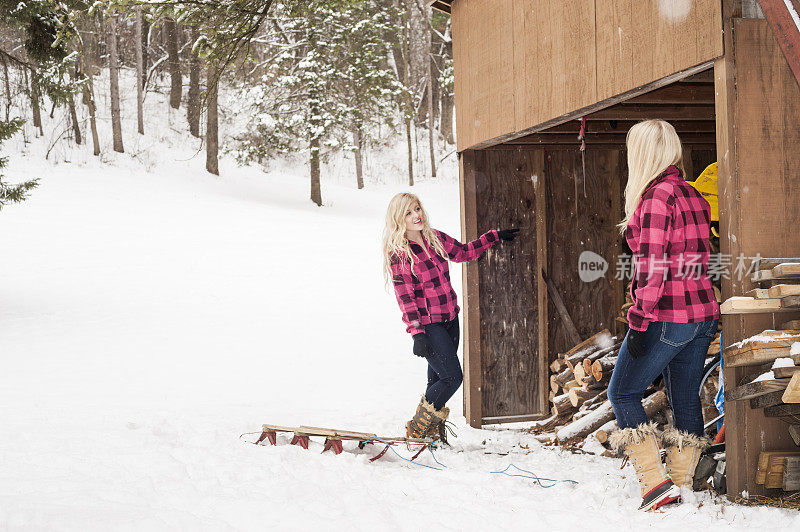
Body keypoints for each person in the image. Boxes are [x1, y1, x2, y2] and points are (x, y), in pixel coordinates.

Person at [607, 120, 720, 511]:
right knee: (684, 397)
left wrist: (638, 321)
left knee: (621, 392)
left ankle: (656, 485)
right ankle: (683, 483)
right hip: (702, 313)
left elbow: (653, 267)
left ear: (640, 154)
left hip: (669, 314)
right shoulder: (692, 194)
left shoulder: (655, 197)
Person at [382, 192, 518, 442]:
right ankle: (418, 428)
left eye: (417, 209)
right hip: (429, 325)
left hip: (450, 319)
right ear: (399, 218)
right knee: (452, 377)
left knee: (436, 377)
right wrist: (417, 332)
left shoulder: (434, 238)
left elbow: (464, 252)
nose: (416, 216)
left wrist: (494, 236)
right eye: (409, 213)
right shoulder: (400, 254)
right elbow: (405, 298)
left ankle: (430, 431)